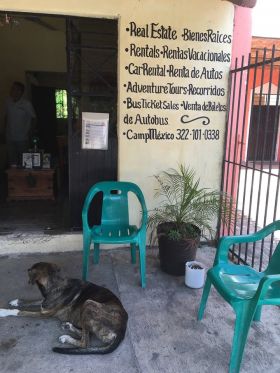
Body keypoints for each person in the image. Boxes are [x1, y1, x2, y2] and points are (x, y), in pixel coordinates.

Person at [5, 81, 36, 166]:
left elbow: (34, 118)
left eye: (13, 89)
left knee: (25, 161)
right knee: (12, 162)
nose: (11, 90)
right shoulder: (8, 101)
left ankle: (24, 178)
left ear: (20, 91)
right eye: (12, 88)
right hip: (10, 138)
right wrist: (4, 132)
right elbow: (7, 117)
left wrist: (30, 132)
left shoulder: (26, 104)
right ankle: (14, 178)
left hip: (22, 138)